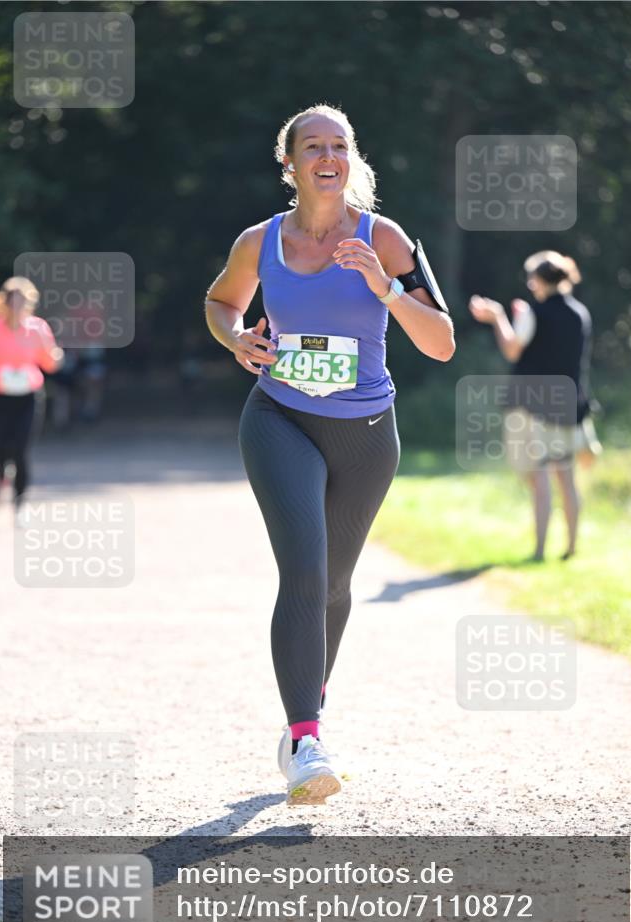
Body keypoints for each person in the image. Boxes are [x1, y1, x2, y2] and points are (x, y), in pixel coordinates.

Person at [205, 103, 454, 805]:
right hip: (279, 416)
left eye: (338, 144)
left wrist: (384, 289)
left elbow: (440, 341)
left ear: (351, 159)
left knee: (336, 586)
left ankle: (304, 701)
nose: (327, 155)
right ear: (289, 163)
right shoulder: (260, 241)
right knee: (306, 572)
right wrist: (235, 339)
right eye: (311, 145)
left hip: (367, 433)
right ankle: (306, 739)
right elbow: (222, 303)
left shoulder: (387, 239)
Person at [469, 250, 600, 562]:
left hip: (533, 406)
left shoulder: (534, 313)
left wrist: (499, 317)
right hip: (569, 405)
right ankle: (570, 547)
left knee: (539, 477)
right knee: (566, 479)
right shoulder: (580, 313)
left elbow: (513, 349)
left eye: (533, 278)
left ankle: (540, 550)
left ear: (541, 280)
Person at [0, 277, 63, 516]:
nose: (17, 305)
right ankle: (1, 475)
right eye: (13, 300)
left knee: (21, 449)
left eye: (22, 300)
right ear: (5, 302)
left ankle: (20, 502)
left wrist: (56, 356)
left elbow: (50, 363)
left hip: (27, 396)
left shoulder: (37, 328)